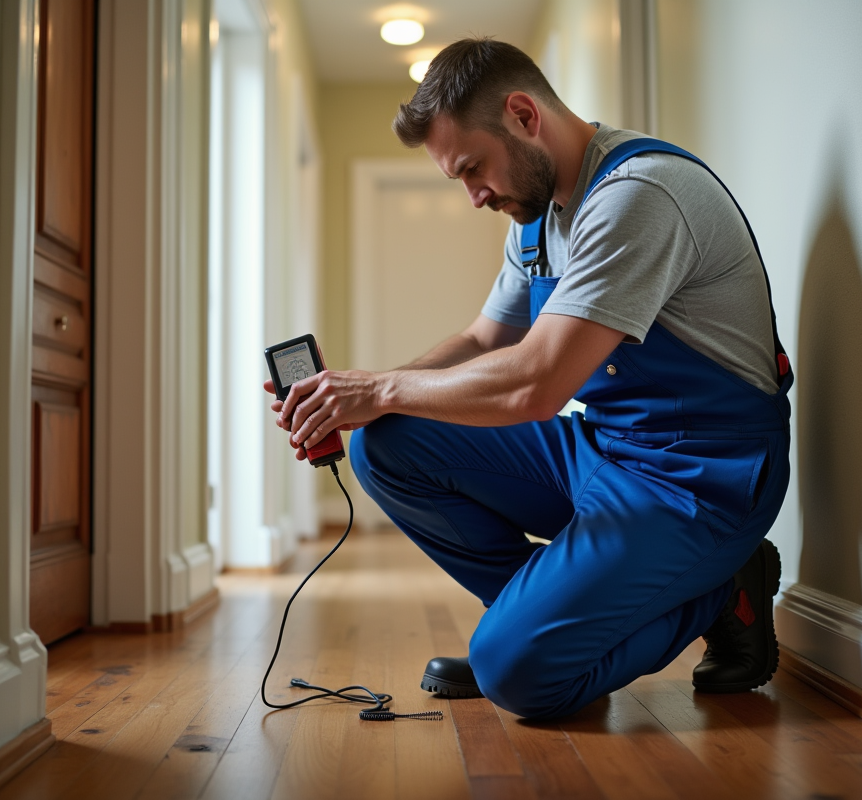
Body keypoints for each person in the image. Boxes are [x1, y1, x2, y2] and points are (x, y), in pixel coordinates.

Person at [265, 37, 792, 720]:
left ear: (522, 114)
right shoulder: (538, 217)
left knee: (515, 676)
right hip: (607, 451)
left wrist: (379, 390)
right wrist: (356, 398)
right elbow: (486, 340)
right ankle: (544, 622)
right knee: (384, 440)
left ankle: (723, 588)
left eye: (473, 169)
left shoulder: (638, 197)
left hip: (699, 480)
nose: (474, 195)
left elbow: (536, 385)